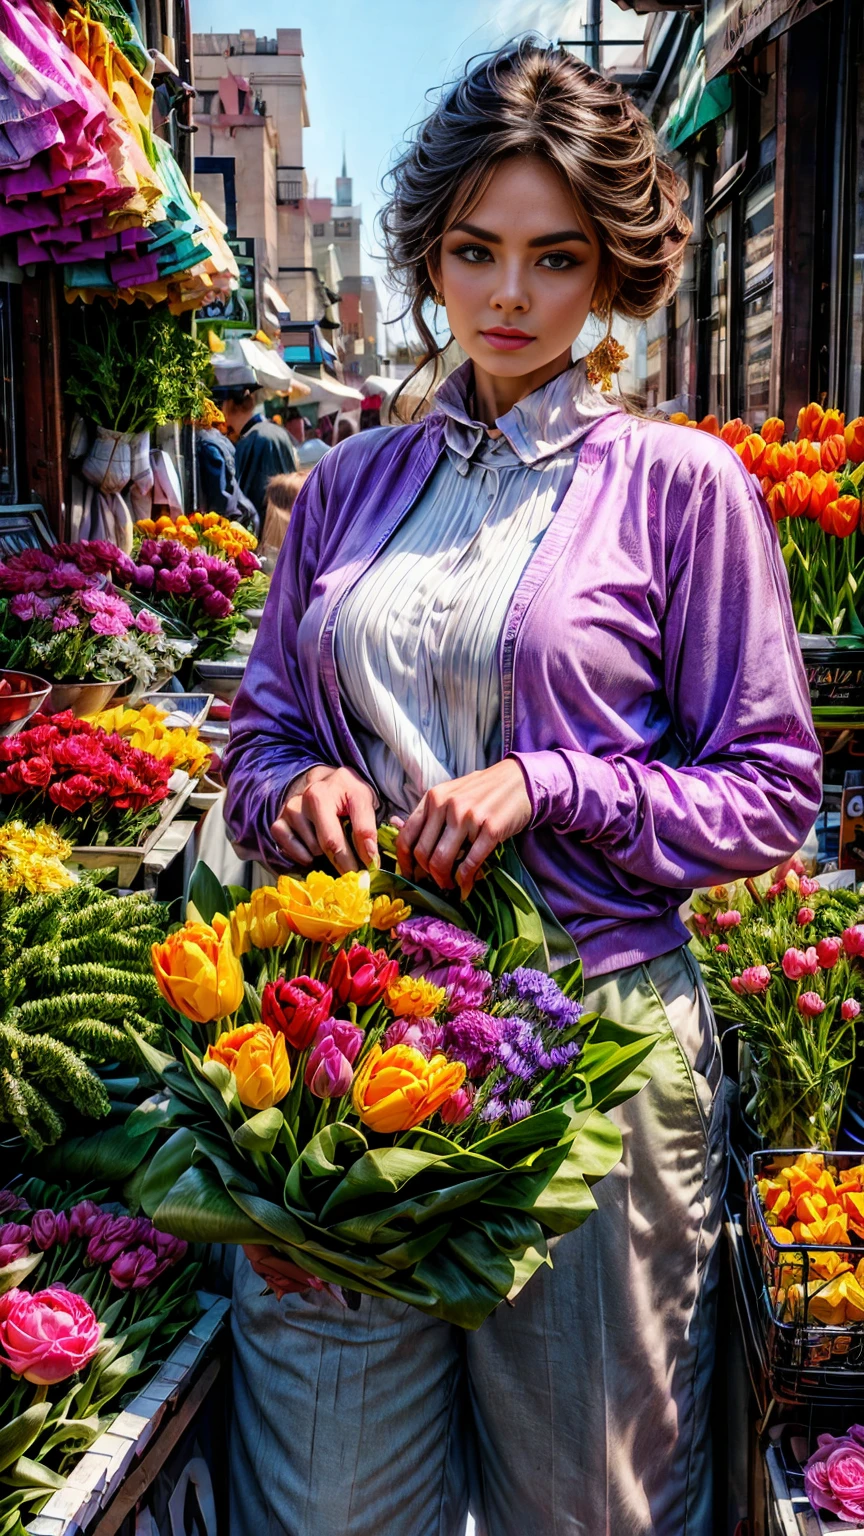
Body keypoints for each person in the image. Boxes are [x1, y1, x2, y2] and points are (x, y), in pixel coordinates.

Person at [223, 40, 821, 1536]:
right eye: (475, 252)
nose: (507, 297)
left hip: (593, 1066)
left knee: (590, 1508)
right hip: (350, 1060)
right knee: (329, 1498)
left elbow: (770, 791)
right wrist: (294, 792)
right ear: (429, 256)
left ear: (609, 266)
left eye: (554, 258)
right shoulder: (348, 486)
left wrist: (553, 784)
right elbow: (259, 734)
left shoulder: (686, 489)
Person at [220, 386, 299, 525]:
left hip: (266, 529)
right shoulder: (277, 431)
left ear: (229, 405)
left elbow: (247, 499)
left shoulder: (252, 439)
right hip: (289, 520)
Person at [195, 412, 259, 533]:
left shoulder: (208, 445)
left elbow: (220, 497)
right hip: (243, 514)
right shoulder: (223, 443)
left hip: (228, 520)